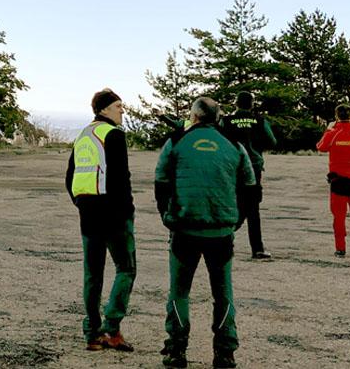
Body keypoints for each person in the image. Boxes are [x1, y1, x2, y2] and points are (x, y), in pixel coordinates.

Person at [155, 97, 257, 369]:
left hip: (184, 229)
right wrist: (237, 220)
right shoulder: (233, 145)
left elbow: (161, 181)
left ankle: (176, 350)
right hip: (221, 232)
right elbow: (250, 185)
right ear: (218, 117)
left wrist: (166, 216)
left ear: (194, 116)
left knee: (179, 291)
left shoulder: (176, 142)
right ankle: (225, 353)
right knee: (223, 293)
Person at [64, 88, 136, 352]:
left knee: (93, 274)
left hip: (88, 212)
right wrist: (128, 211)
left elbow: (70, 176)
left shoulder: (83, 135)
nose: (122, 111)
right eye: (119, 106)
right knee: (126, 268)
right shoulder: (113, 135)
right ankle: (112, 328)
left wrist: (82, 203)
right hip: (114, 213)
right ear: (104, 109)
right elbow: (121, 177)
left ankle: (92, 333)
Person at [220, 91, 277, 259]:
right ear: (252, 104)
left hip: (232, 168)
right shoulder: (259, 121)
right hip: (253, 167)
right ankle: (257, 248)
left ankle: (223, 241)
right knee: (253, 209)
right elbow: (272, 142)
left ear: (235, 103)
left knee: (231, 204)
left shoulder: (226, 121)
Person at [316, 103, 350, 258]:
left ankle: (341, 248)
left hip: (338, 180)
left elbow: (320, 147)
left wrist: (329, 129)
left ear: (336, 116)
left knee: (338, 216)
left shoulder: (332, 133)